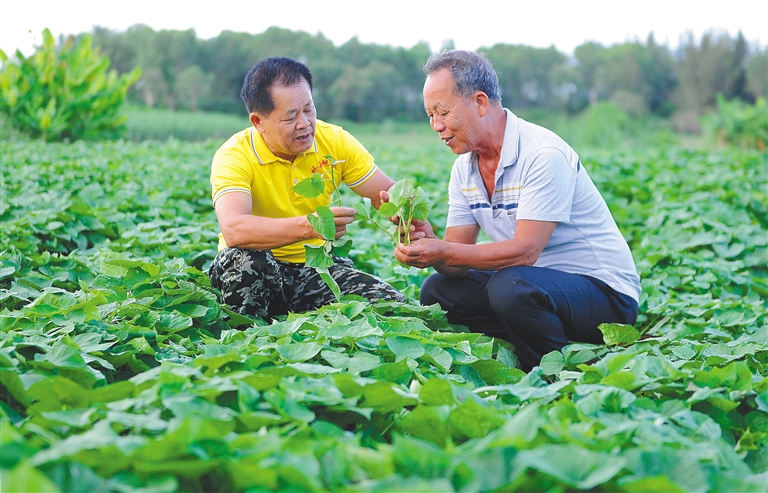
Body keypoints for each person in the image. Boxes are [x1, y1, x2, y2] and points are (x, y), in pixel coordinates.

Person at [394, 50, 641, 372]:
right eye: (429, 115)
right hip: (535, 288)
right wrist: (432, 246)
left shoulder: (543, 154)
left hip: (604, 295)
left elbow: (525, 251)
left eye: (442, 112)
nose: (436, 126)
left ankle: (552, 372)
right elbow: (458, 256)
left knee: (511, 286)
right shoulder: (464, 169)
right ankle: (540, 339)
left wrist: (443, 250)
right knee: (440, 290)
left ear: (480, 102)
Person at [208, 56, 405, 320]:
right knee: (246, 262)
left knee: (392, 306)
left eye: (309, 110)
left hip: (316, 266)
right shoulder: (234, 155)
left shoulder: (334, 141)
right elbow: (234, 229)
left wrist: (406, 214)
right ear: (258, 121)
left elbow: (384, 193)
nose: (305, 123)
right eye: (290, 117)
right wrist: (311, 226)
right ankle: (249, 340)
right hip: (258, 268)